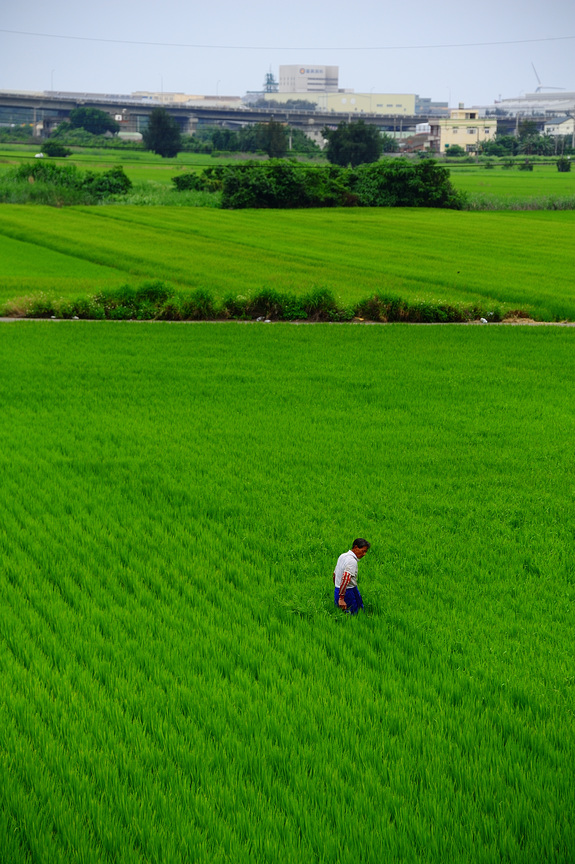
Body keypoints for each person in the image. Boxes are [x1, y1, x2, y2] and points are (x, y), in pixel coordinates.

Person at [333, 539, 370, 614]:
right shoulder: (352, 561)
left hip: (342, 589)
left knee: (359, 610)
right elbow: (346, 578)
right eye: (363, 551)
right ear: (356, 547)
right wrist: (341, 598)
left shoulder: (342, 556)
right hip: (347, 591)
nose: (364, 554)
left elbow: (334, 574)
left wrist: (338, 589)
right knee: (352, 614)